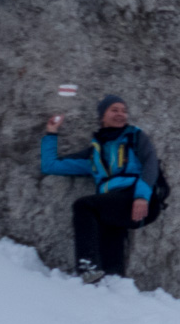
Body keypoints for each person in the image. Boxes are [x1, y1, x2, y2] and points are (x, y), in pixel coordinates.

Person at [40, 93, 160, 284]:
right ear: (102, 116)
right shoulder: (94, 153)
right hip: (113, 203)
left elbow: (151, 164)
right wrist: (51, 132)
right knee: (110, 240)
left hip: (137, 198)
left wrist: (141, 197)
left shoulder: (135, 136)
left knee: (84, 206)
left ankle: (87, 266)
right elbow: (51, 165)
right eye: (114, 110)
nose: (121, 114)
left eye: (124, 111)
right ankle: (110, 285)